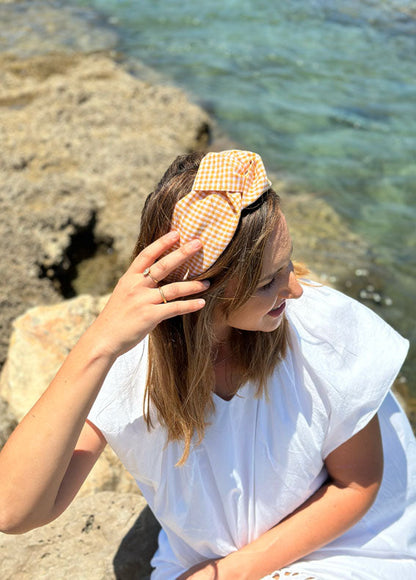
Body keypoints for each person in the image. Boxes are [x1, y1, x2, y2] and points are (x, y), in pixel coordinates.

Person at [0, 150, 415, 580]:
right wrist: (98, 345)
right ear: (203, 295)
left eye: (287, 263)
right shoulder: (132, 366)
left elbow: (356, 485)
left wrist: (226, 574)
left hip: (342, 548)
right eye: (267, 281)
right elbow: (14, 511)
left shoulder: (318, 332)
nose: (295, 288)